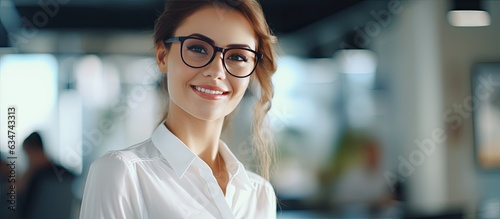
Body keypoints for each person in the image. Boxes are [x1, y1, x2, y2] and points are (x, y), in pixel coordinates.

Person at [79, 0, 278, 218]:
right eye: (198, 48)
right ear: (162, 56)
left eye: (238, 56)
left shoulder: (259, 194)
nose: (217, 71)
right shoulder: (122, 174)